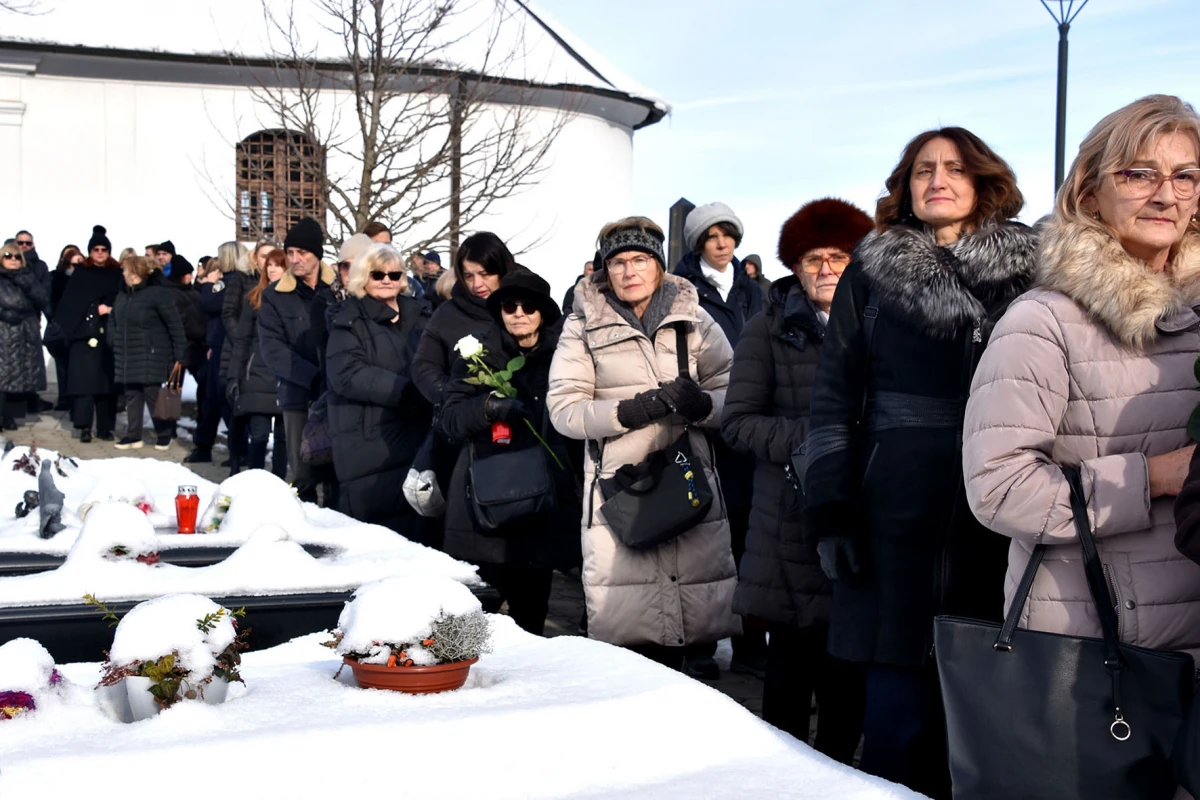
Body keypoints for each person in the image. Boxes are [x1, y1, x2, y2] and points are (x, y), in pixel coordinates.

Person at [801, 128, 1037, 798]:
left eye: (956, 167)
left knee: (984, 725)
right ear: (904, 186)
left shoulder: (1034, 272)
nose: (938, 178)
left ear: (985, 180)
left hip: (997, 511)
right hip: (889, 516)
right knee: (896, 725)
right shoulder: (870, 271)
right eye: (923, 169)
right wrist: (831, 512)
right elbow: (833, 400)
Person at [966, 97, 1200, 672]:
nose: (1166, 195)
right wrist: (1154, 478)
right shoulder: (1042, 321)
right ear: (1089, 194)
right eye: (1138, 173)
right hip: (1097, 652)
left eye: (1185, 176)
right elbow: (997, 490)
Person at [547, 216, 739, 668]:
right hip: (622, 487)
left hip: (691, 483)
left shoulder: (695, 319)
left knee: (698, 641)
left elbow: (737, 398)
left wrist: (701, 406)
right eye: (618, 262)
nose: (629, 271)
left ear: (658, 265)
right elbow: (564, 411)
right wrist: (628, 412)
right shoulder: (582, 325)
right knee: (632, 644)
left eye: (640, 259)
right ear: (604, 269)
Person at [722, 198, 873, 758]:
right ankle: (783, 777)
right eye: (814, 259)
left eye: (839, 256)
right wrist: (818, 438)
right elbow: (737, 422)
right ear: (795, 266)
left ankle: (839, 776)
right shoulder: (768, 329)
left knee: (849, 672)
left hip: (862, 512)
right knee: (790, 670)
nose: (827, 268)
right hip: (789, 520)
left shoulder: (881, 326)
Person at [441, 268, 582, 635]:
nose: (518, 313)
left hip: (541, 503)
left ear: (544, 313)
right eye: (509, 306)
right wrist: (488, 407)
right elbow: (449, 419)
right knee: (470, 625)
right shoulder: (477, 356)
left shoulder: (565, 356)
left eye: (528, 306)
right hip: (488, 502)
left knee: (532, 617)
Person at [674, 201, 765, 679]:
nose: (722, 243)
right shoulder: (682, 289)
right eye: (712, 236)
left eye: (728, 234)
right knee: (704, 541)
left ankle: (751, 643)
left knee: (751, 538)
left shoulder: (753, 291)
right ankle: (702, 644)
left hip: (745, 425)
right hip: (703, 422)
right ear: (698, 243)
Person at [326, 243, 437, 543]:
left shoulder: (421, 315)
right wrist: (406, 392)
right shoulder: (347, 319)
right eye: (378, 274)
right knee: (379, 534)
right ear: (363, 276)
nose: (387, 279)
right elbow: (347, 373)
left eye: (394, 273)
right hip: (370, 438)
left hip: (417, 433)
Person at [257, 217, 336, 503]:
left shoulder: (338, 289)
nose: (295, 259)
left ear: (318, 255)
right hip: (297, 393)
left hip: (338, 391)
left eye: (302, 253)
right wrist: (312, 377)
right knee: (303, 475)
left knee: (336, 473)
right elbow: (272, 349)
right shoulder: (274, 296)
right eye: (290, 252)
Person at [413, 231, 514, 407]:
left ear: (501, 270)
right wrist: (453, 397)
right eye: (469, 276)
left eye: (485, 274)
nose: (477, 284)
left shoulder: (527, 307)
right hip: (464, 422)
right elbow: (424, 366)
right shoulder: (447, 314)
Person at [55, 226, 123, 443]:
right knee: (84, 385)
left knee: (106, 385)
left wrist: (111, 310)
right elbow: (69, 305)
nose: (100, 253)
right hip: (83, 336)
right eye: (96, 249)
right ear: (90, 252)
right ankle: (84, 426)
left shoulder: (117, 274)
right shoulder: (81, 274)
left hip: (108, 335)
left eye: (104, 249)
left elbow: (123, 300)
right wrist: (93, 311)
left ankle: (105, 427)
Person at [112, 256, 187, 450]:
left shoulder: (157, 294)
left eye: (126, 270)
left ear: (136, 273)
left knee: (152, 393)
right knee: (132, 394)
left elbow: (174, 324)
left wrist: (179, 353)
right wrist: (112, 341)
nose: (123, 274)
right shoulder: (123, 295)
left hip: (151, 352)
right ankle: (133, 434)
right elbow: (114, 320)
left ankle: (164, 432)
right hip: (127, 353)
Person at [227, 248, 287, 477]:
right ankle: (253, 483)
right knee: (259, 435)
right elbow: (241, 341)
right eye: (268, 265)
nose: (271, 269)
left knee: (283, 439)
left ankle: (280, 485)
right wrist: (234, 375)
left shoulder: (295, 300)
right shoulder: (254, 298)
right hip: (257, 375)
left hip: (284, 375)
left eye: (278, 265)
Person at [188, 242, 243, 464]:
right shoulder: (241, 282)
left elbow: (209, 302)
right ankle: (236, 449)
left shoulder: (227, 283)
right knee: (221, 399)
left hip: (223, 346)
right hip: (223, 345)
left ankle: (211, 447)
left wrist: (209, 283)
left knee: (216, 399)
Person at [0, 241, 49, 430]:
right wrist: (3, 313)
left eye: (17, 257)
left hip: (25, 333)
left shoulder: (28, 277)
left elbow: (43, 299)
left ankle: (10, 416)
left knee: (18, 377)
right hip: (4, 331)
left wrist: (27, 284)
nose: (13, 260)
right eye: (8, 256)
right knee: (3, 376)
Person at [48, 245, 84, 410]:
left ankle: (77, 398)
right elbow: (49, 301)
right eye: (72, 263)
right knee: (62, 366)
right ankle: (64, 398)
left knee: (77, 367)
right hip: (61, 328)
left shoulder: (86, 280)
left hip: (80, 328)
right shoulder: (56, 278)